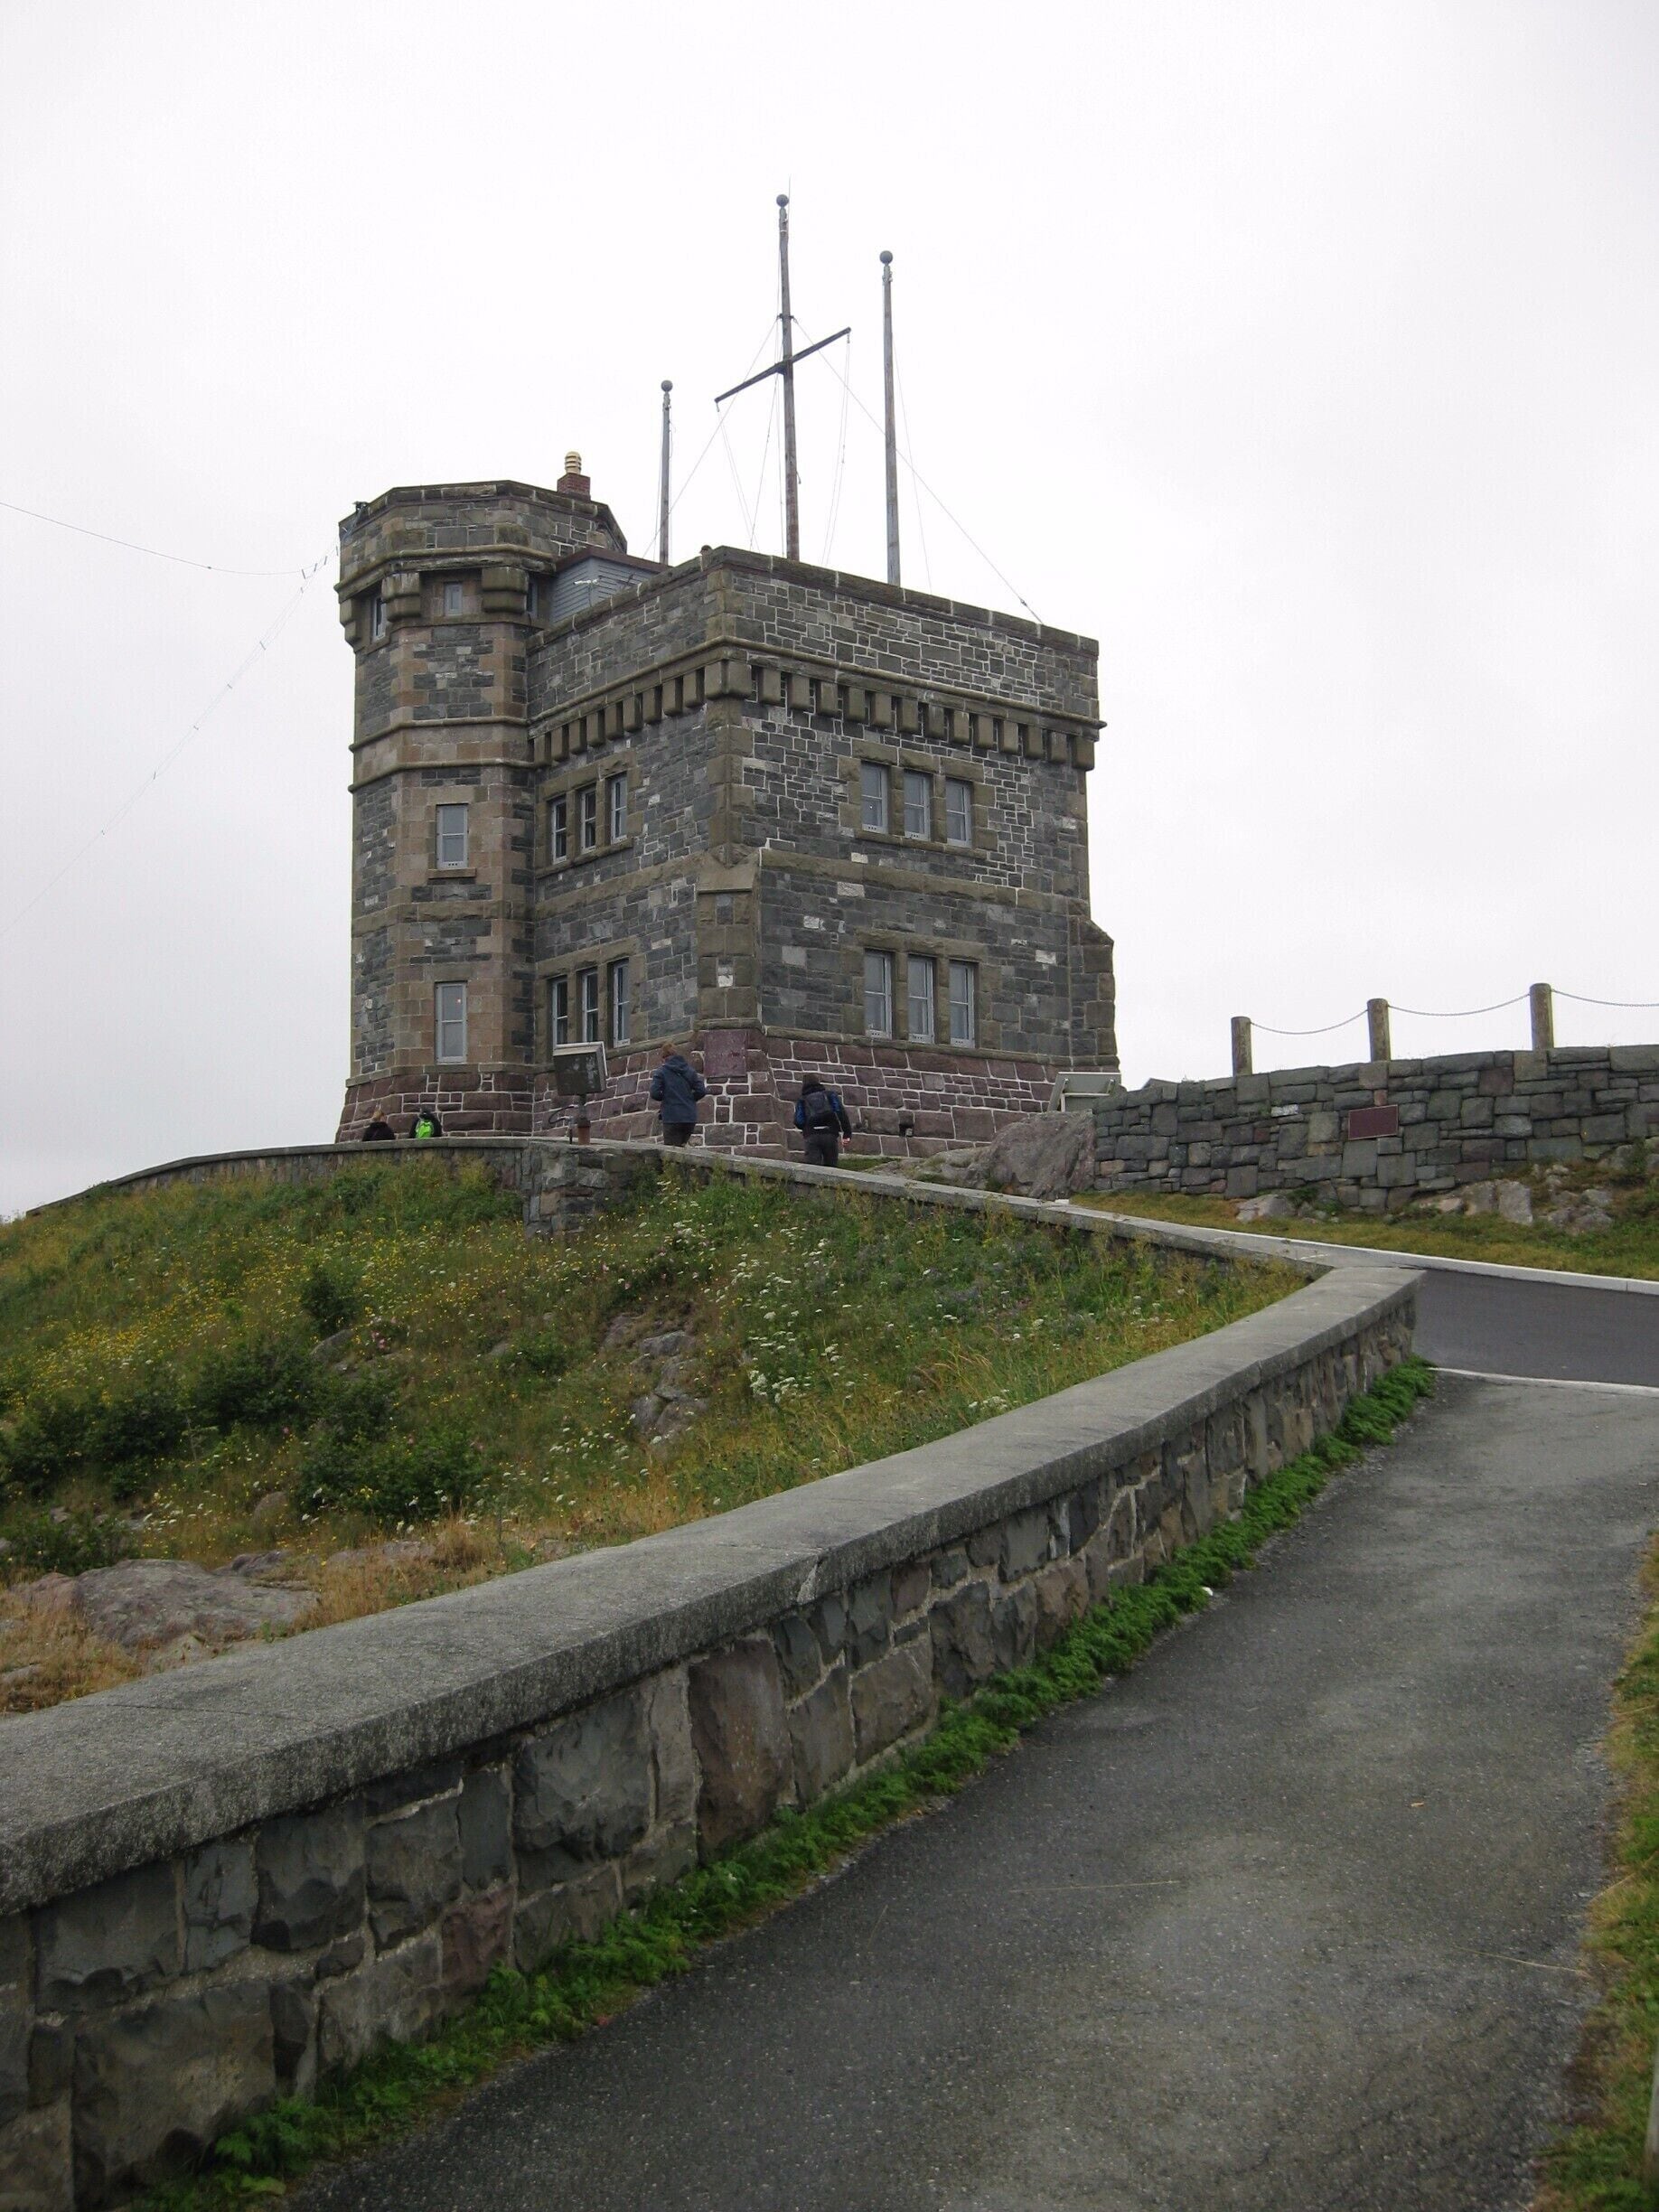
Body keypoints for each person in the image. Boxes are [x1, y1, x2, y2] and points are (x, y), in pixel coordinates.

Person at [650, 1043, 706, 1147]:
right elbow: (701, 1091)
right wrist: (690, 1098)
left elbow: (654, 1093)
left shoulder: (661, 1072)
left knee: (671, 1151)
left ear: (663, 1058)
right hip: (689, 1118)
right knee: (681, 1148)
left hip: (672, 1117)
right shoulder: (690, 1071)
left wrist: (666, 1097)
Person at [794, 1075, 852, 1168]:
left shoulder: (802, 1100)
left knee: (813, 1169)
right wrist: (847, 1134)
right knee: (831, 1168)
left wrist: (807, 1128)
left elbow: (798, 1121)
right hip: (830, 1134)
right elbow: (840, 1112)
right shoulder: (830, 1095)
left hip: (812, 1136)